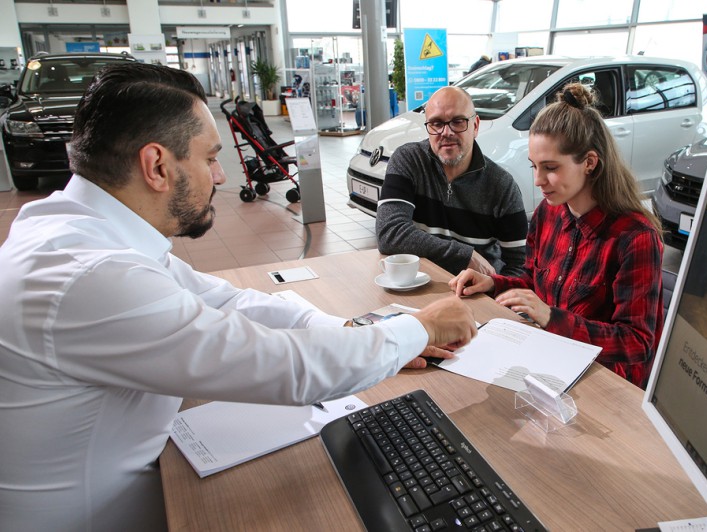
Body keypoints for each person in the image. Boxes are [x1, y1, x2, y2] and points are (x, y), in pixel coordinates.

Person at [0, 63, 477, 531]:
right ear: (157, 166)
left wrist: (354, 330)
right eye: (210, 158)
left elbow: (228, 302)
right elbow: (288, 369)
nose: (221, 177)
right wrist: (421, 326)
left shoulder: (84, 234)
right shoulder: (92, 275)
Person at [449, 83, 664, 388]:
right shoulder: (548, 213)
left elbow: (636, 343)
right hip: (550, 358)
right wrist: (494, 284)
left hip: (605, 383)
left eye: (550, 168)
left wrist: (551, 317)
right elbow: (535, 283)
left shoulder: (635, 237)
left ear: (589, 163)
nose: (538, 180)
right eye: (534, 166)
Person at [376, 86, 527, 276]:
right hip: (419, 285)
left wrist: (494, 288)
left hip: (476, 290)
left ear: (475, 126)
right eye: (436, 123)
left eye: (457, 122)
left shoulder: (501, 185)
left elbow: (519, 265)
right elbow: (389, 232)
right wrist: (466, 255)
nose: (446, 132)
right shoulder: (409, 160)